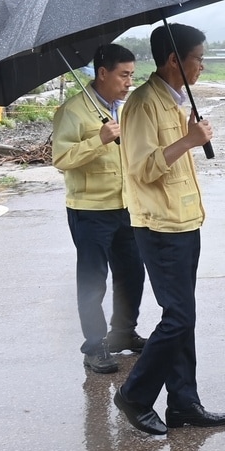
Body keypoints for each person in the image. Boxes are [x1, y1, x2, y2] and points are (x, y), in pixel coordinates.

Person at [112, 23, 225, 435]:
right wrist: (189, 140)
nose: (203, 65)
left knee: (184, 315)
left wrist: (188, 133)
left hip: (183, 222)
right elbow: (142, 169)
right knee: (178, 317)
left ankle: (183, 402)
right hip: (159, 225)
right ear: (173, 61)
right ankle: (134, 394)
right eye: (198, 57)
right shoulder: (143, 104)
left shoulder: (172, 102)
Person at [52, 44, 147, 374]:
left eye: (132, 75)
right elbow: (61, 159)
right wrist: (100, 139)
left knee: (133, 273)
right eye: (124, 75)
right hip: (89, 209)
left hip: (125, 205)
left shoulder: (125, 108)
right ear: (102, 73)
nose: (129, 82)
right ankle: (94, 346)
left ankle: (123, 331)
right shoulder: (73, 111)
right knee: (93, 281)